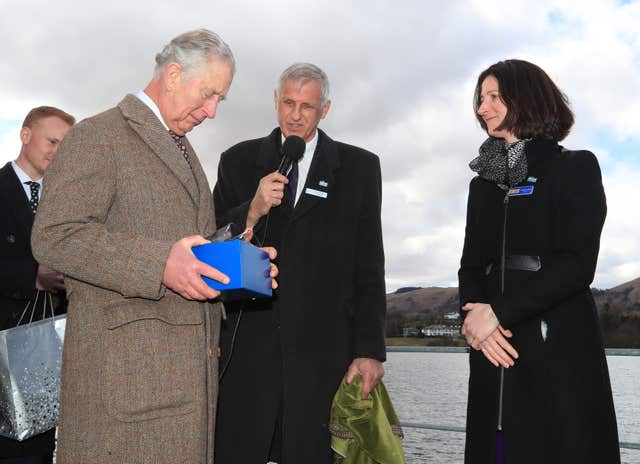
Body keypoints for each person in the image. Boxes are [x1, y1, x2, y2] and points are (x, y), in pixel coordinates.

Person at [31, 29, 277, 464]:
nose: (212, 111)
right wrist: (160, 263)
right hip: (125, 404)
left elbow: (184, 246)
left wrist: (236, 262)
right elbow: (55, 236)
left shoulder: (181, 148)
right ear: (173, 74)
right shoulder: (98, 135)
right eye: (207, 94)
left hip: (181, 394)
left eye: (220, 99)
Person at [213, 62, 387, 464]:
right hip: (248, 351)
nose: (295, 114)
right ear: (275, 101)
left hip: (324, 357)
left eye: (306, 106)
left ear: (324, 110)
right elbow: (213, 244)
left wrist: (370, 350)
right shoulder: (237, 161)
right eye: (288, 102)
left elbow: (369, 265)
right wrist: (251, 210)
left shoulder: (360, 168)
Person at [459, 59, 620, 463]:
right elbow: (471, 267)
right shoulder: (481, 186)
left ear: (526, 96)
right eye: (481, 99)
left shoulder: (575, 167)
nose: (482, 108)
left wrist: (497, 313)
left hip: (554, 346)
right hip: (492, 349)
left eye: (494, 96)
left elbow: (577, 263)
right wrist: (478, 324)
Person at [0, 106, 74, 464]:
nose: (57, 152)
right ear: (25, 135)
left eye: (65, 146)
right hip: (4, 342)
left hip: (49, 350)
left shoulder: (67, 204)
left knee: (39, 446)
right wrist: (33, 276)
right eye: (52, 141)